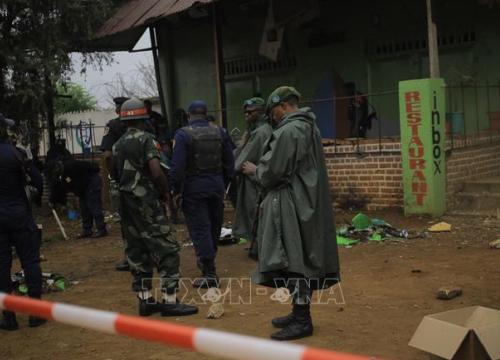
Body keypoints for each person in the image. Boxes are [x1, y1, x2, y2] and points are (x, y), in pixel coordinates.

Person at [242, 87, 340, 341]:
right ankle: (298, 311)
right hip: (304, 200)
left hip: (291, 202)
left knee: (294, 258)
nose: (271, 116)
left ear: (284, 105)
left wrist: (254, 170)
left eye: (273, 111)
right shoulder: (309, 127)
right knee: (298, 257)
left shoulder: (289, 130)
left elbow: (273, 171)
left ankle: (302, 319)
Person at [112, 98, 198, 317]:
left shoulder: (118, 144)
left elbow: (112, 169)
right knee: (169, 249)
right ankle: (170, 301)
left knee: (137, 251)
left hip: (126, 206)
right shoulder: (147, 140)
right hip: (146, 205)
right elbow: (156, 170)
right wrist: (165, 193)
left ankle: (146, 300)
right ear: (145, 118)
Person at [169, 101, 235, 289]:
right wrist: (225, 183)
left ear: (189, 116)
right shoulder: (220, 132)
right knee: (214, 225)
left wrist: (174, 189)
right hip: (216, 186)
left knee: (200, 229)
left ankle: (209, 272)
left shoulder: (183, 134)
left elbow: (177, 167)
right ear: (206, 115)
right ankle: (208, 261)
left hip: (193, 188)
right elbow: (230, 162)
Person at [0, 113, 46, 330]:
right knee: (30, 261)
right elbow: (38, 179)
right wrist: (33, 196)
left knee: (1, 266)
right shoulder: (17, 153)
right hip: (19, 214)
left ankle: (8, 317)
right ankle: (35, 314)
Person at [233, 97, 272, 259]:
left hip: (254, 181)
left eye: (251, 112)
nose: (247, 115)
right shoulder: (257, 131)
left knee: (255, 215)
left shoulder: (260, 132)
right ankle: (257, 246)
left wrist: (242, 145)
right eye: (245, 112)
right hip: (255, 179)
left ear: (261, 112)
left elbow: (239, 163)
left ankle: (260, 249)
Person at [100, 96, 129, 271]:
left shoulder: (113, 125)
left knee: (127, 220)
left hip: (124, 180)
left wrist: (115, 176)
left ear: (118, 110)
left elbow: (107, 156)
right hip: (146, 182)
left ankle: (130, 258)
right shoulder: (145, 125)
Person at [51, 159, 107, 238]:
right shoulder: (64, 176)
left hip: (91, 183)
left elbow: (90, 167)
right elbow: (63, 187)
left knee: (94, 206)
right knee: (84, 208)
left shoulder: (72, 166)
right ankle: (87, 230)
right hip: (83, 188)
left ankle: (101, 229)